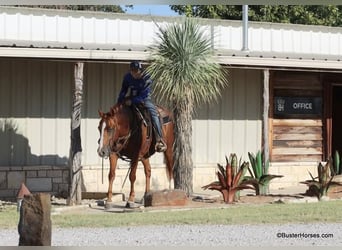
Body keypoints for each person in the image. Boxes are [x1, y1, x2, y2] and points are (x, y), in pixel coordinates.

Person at [117, 61, 167, 152]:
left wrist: (132, 101)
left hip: (144, 99)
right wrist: (120, 102)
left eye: (136, 71)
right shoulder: (127, 77)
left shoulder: (147, 77)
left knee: (153, 113)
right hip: (131, 97)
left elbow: (144, 94)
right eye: (132, 71)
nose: (134, 73)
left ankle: (159, 138)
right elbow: (123, 90)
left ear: (140, 70)